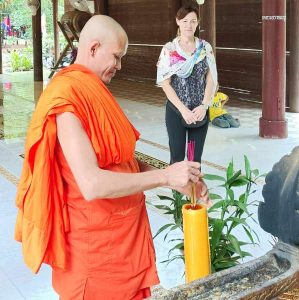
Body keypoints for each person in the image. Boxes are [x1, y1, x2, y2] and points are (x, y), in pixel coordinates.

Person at [14, 15, 211, 300]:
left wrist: (175, 177)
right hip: (95, 255)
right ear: (93, 48)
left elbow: (121, 160)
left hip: (122, 241)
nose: (119, 66)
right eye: (116, 57)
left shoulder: (94, 89)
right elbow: (92, 184)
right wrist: (164, 177)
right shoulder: (66, 98)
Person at [157, 4, 218, 164]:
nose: (189, 25)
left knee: (194, 159)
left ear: (198, 23)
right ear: (177, 22)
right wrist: (183, 110)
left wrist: (204, 106)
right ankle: (176, 190)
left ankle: (192, 190)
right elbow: (165, 83)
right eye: (185, 21)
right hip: (176, 112)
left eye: (193, 21)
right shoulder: (169, 49)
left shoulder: (205, 48)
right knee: (177, 157)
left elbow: (211, 79)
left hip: (199, 112)